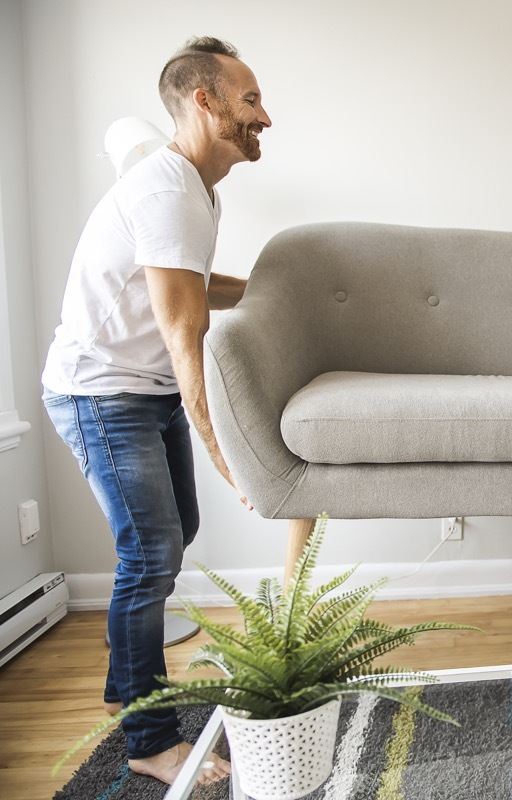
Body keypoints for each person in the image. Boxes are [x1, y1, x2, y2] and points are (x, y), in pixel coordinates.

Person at [42, 36, 271, 784]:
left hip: (141, 390)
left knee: (176, 533)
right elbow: (184, 335)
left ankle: (124, 684)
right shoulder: (168, 191)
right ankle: (148, 741)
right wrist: (225, 454)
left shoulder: (197, 189)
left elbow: (188, 286)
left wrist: (272, 289)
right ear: (204, 102)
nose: (264, 116)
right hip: (101, 392)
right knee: (151, 554)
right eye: (250, 100)